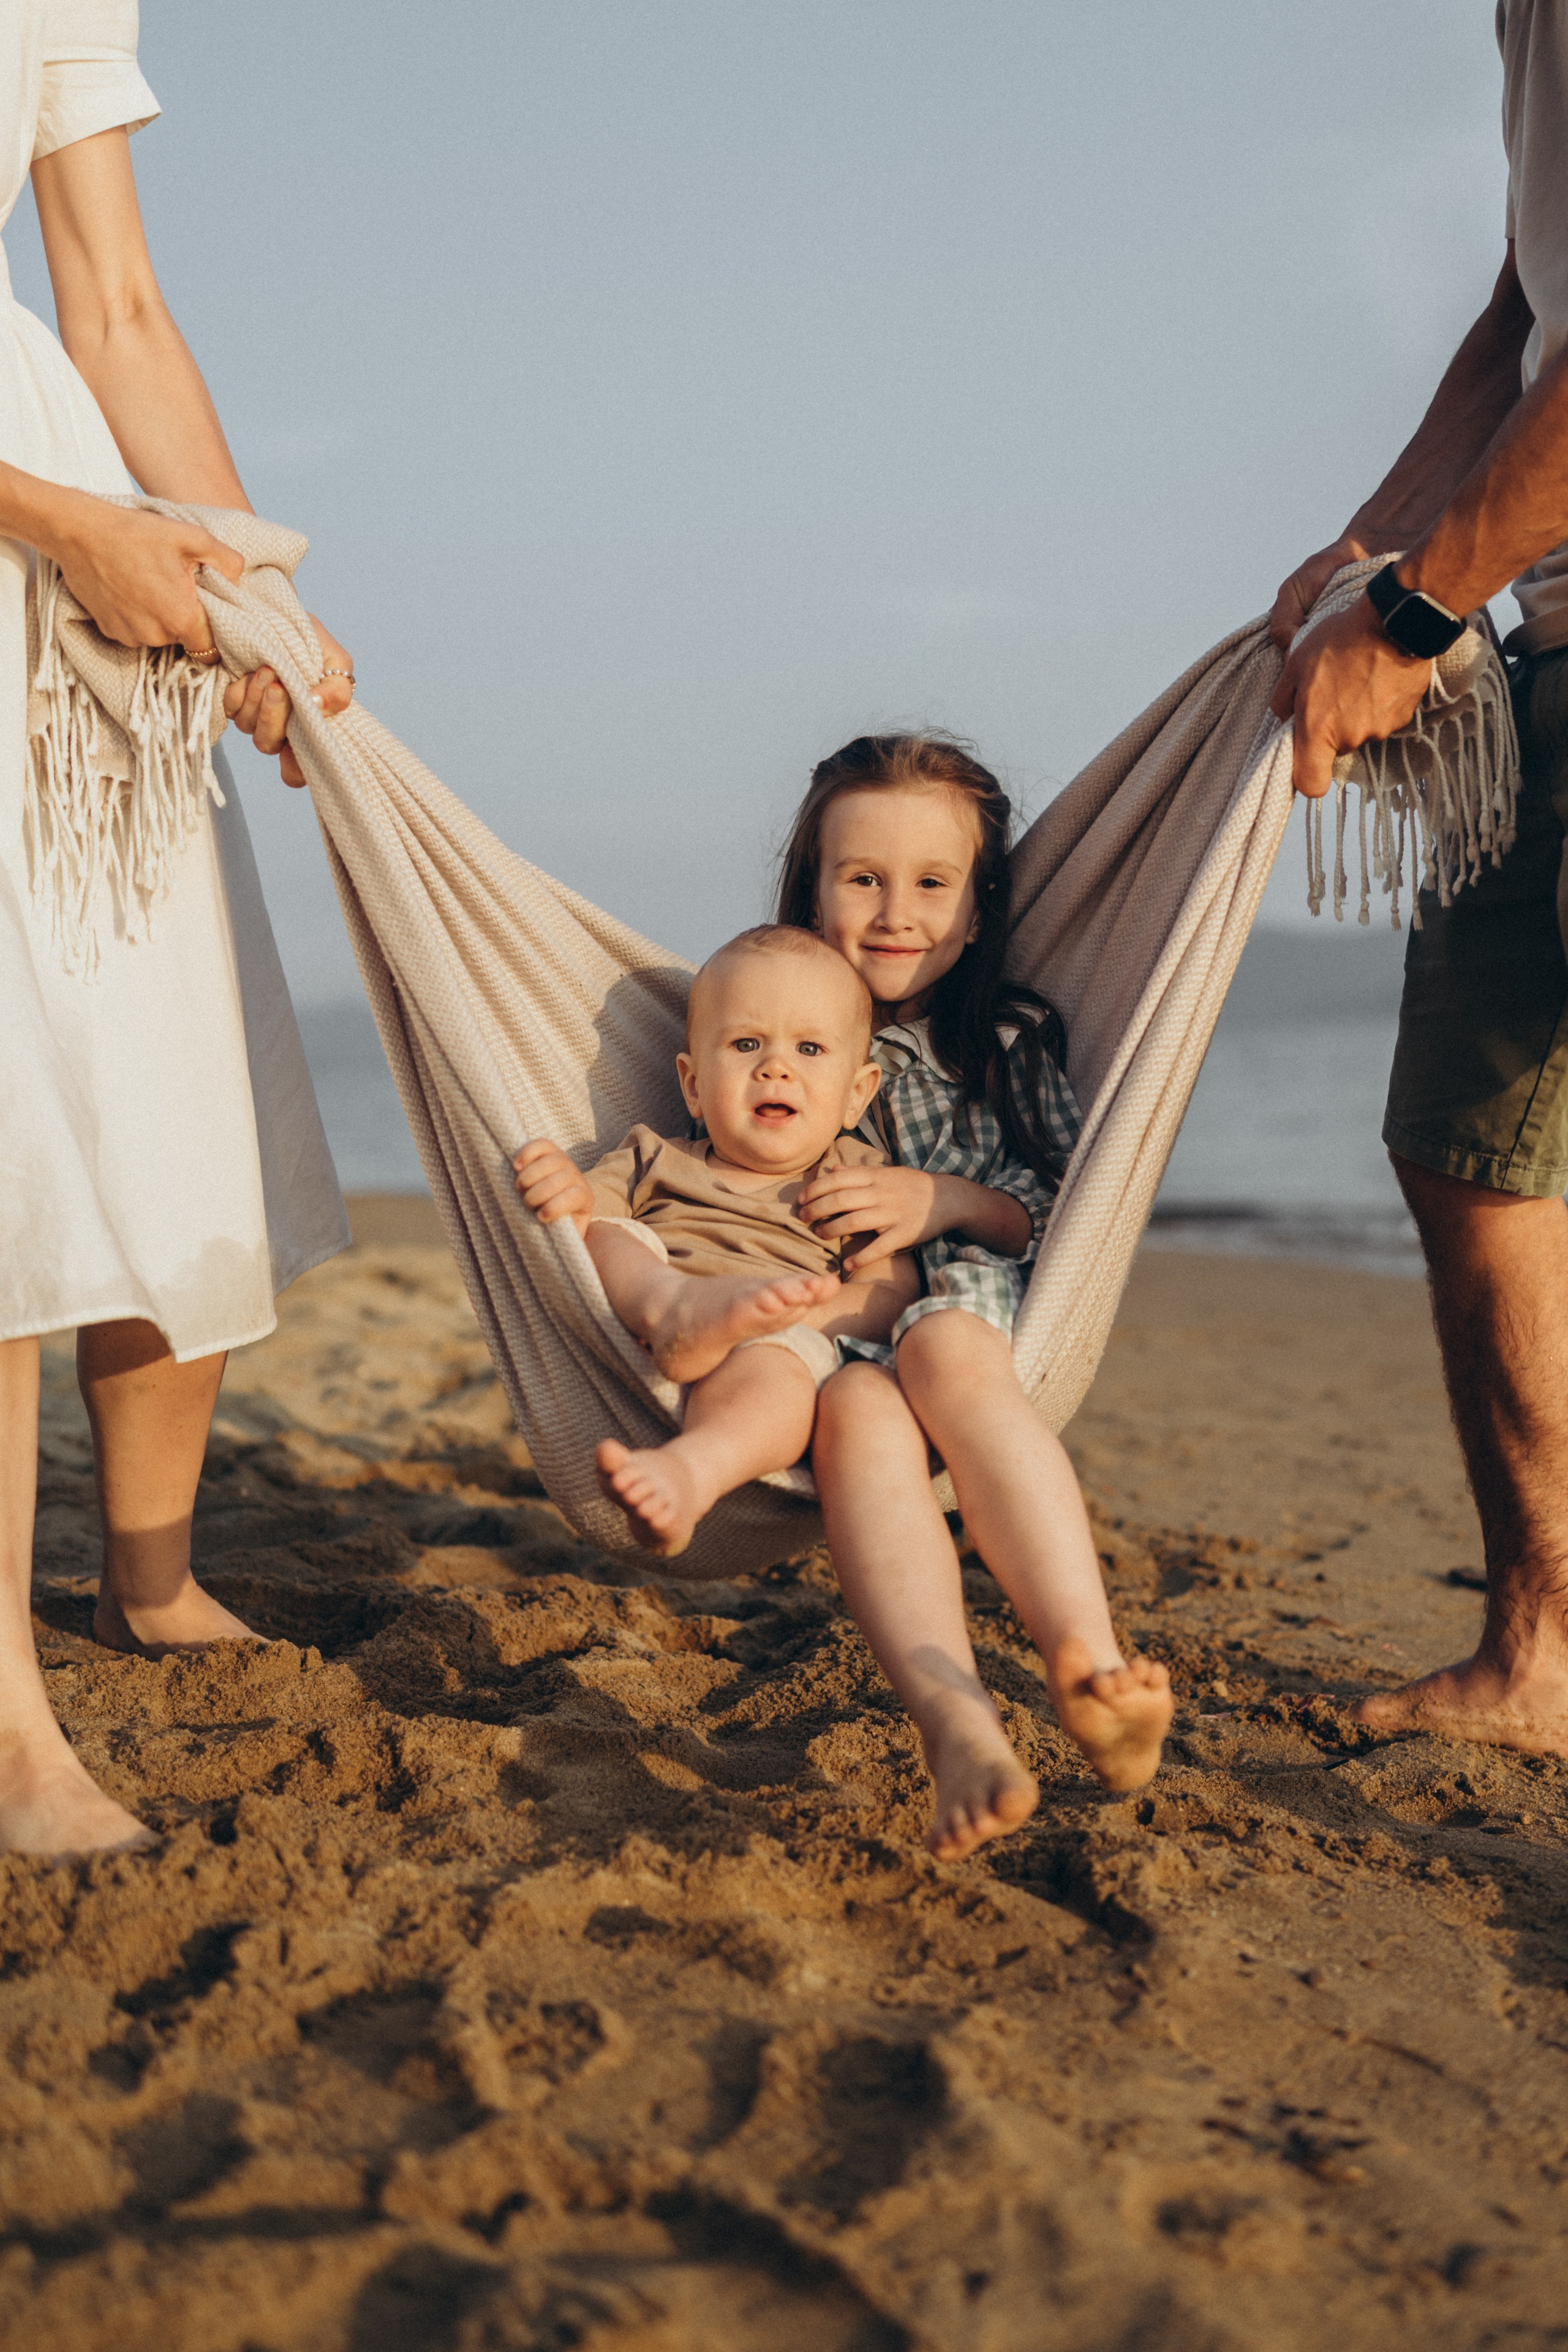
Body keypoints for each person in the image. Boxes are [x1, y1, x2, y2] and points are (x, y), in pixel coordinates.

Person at [1, 6, 355, 1855]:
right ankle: (3, 1718)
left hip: (68, 499)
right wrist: (64, 523)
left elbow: (114, 294)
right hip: (31, 511)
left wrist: (235, 572)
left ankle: (149, 1573)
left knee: (146, 1031)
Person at [1268, 0, 1568, 1758]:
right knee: (1469, 1142)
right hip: (1543, 642)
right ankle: (1541, 1650)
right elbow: (1527, 310)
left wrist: (1413, 612)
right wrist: (1376, 547)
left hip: (1505, 609)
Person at [787, 734, 1172, 1861]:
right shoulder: (774, 1015)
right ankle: (959, 1729)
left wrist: (941, 1198)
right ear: (811, 889)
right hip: (827, 1332)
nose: (896, 911)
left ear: (977, 902)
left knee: (949, 1356)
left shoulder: (1004, 1038)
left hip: (965, 1295)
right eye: (861, 878)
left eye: (932, 882)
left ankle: (1086, 1664)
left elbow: (1067, 1215)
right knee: (857, 1422)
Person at [511, 926, 919, 1557]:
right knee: (612, 1233)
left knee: (782, 1374)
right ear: (694, 1084)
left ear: (856, 1094)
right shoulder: (653, 1156)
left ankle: (688, 1474)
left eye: (809, 1048)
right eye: (746, 1043)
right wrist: (563, 1186)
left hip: (769, 1346)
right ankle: (675, 1306)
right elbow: (583, 1224)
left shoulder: (854, 1180)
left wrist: (803, 1314)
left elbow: (890, 1291)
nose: (775, 1066)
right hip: (645, 1345)